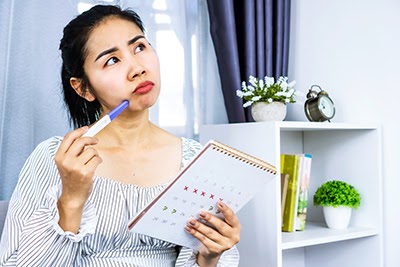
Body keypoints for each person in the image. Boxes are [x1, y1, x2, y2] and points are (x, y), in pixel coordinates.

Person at [0, 5, 240, 267]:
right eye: (112, 60)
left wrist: (210, 255)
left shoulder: (195, 159)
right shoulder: (56, 159)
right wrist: (70, 199)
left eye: (139, 47)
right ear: (83, 88)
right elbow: (15, 262)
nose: (137, 68)